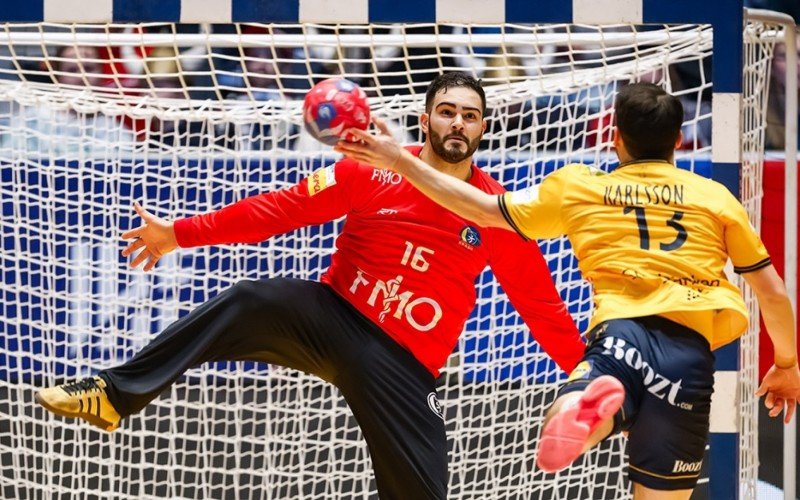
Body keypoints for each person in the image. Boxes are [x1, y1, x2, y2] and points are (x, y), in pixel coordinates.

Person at [35, 73, 585, 500]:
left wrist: (606, 392)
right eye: (447, 113)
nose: (458, 124)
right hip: (332, 317)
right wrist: (176, 235)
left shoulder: (494, 212)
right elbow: (279, 210)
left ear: (483, 127)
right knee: (248, 301)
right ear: (426, 120)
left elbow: (542, 310)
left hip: (404, 366)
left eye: (470, 116)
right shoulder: (372, 169)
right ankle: (112, 395)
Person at [335, 82, 800, 500]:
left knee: (585, 398)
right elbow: (773, 292)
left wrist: (398, 160)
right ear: (678, 141)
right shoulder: (715, 198)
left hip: (622, 334)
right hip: (691, 352)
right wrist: (786, 364)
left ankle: (587, 408)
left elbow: (478, 207)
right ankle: (598, 408)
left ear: (615, 137)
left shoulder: (581, 186)